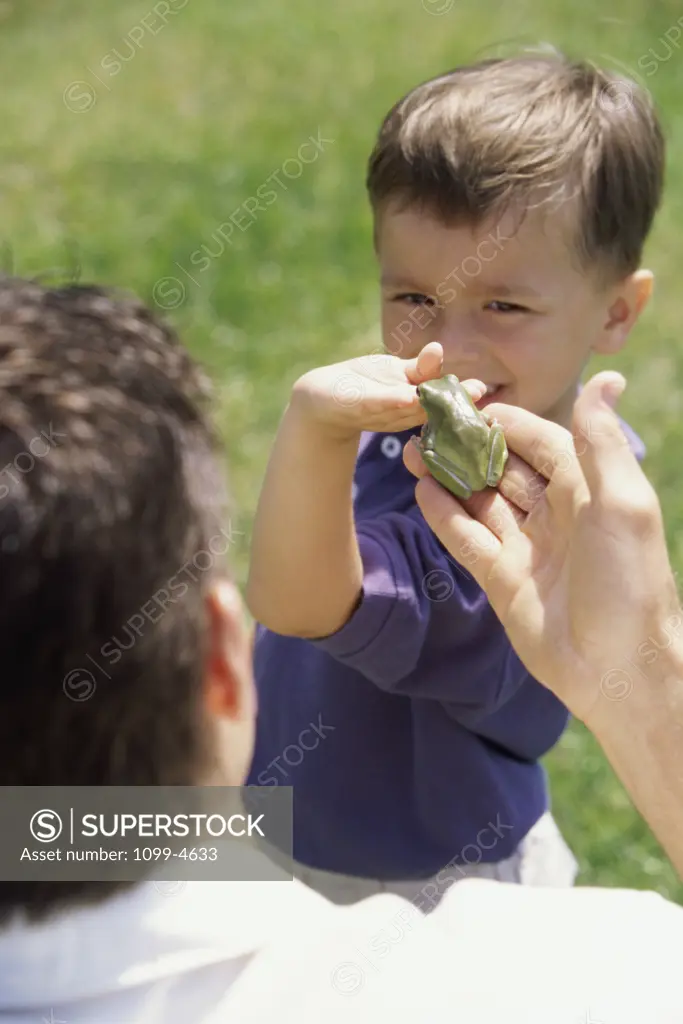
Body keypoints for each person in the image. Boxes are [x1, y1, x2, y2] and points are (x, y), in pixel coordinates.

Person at [0, 278, 681, 1023]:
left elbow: (55, 835)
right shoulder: (562, 983)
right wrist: (644, 690)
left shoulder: (66, 845)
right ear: (226, 658)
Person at [245, 50, 663, 904]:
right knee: (50, 849)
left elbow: (302, 603)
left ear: (615, 311)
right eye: (412, 300)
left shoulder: (532, 513)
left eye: (503, 306)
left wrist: (312, 436)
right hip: (290, 818)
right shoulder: (437, 418)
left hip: (421, 879)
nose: (452, 344)